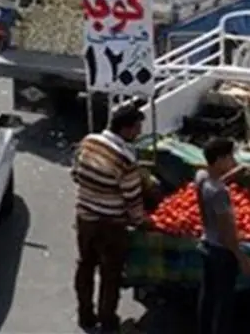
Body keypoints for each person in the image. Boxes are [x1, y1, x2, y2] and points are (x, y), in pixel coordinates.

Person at [70, 102, 146, 333]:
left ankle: (85, 315)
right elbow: (132, 198)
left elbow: (75, 174)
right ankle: (107, 319)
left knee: (85, 265)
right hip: (111, 225)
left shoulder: (87, 142)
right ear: (125, 129)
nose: (139, 133)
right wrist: (141, 221)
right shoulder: (125, 159)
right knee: (110, 273)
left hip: (85, 219)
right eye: (137, 128)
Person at [196, 136, 250, 334]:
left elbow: (214, 182)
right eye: (230, 157)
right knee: (224, 303)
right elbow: (227, 232)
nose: (233, 161)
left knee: (208, 296)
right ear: (220, 159)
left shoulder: (201, 177)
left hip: (206, 245)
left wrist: (233, 173)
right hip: (222, 252)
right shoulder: (220, 193)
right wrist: (242, 258)